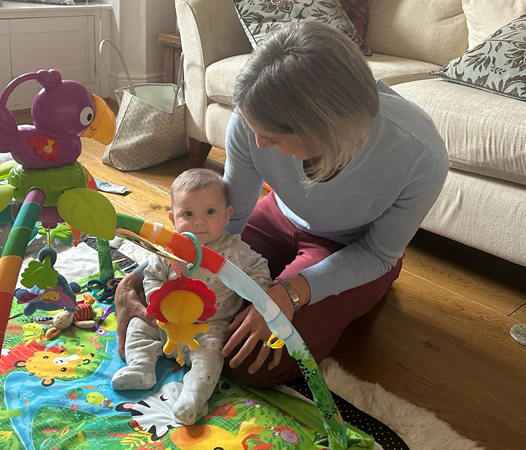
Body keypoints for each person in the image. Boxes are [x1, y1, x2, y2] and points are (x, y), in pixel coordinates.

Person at [115, 21, 448, 390]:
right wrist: (143, 271)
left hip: (356, 249)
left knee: (252, 362)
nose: (257, 145)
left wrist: (288, 293)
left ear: (326, 128)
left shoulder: (418, 152)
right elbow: (229, 219)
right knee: (169, 300)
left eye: (272, 138)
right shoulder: (251, 118)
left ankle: (365, 295)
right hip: (277, 217)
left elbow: (378, 252)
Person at [111, 168, 271, 425]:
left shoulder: (236, 251)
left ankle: (193, 397)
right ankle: (140, 367)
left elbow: (259, 268)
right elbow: (152, 275)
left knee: (213, 354)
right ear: (172, 218)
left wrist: (258, 297)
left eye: (210, 212)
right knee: (138, 325)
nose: (199, 221)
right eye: (188, 214)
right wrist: (155, 300)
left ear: (227, 215)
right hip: (164, 323)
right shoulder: (169, 249)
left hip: (210, 326)